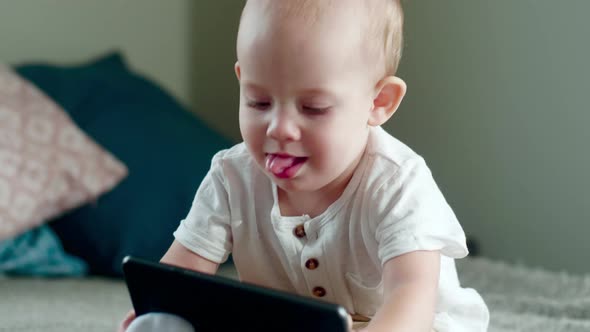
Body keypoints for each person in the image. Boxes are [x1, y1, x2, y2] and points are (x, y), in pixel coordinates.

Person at [119, 0, 489, 331]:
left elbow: (411, 297)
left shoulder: (398, 183)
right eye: (259, 102)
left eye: (312, 108)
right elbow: (181, 275)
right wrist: (159, 311)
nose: (278, 129)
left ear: (378, 101)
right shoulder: (232, 176)